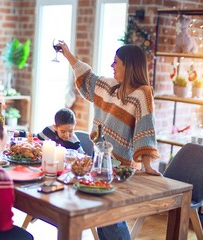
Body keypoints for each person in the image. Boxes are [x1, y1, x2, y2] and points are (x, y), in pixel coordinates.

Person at [59, 43, 161, 240]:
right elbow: (88, 79)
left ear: (129, 66)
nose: (112, 65)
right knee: (100, 217)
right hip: (99, 163)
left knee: (112, 220)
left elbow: (146, 128)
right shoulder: (110, 87)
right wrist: (68, 55)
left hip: (121, 169)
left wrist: (146, 164)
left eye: (116, 62)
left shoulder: (142, 94)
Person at [15, 108, 84, 153]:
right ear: (55, 127)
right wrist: (19, 133)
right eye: (63, 131)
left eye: (70, 131)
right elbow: (36, 137)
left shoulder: (75, 143)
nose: (67, 135)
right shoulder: (48, 131)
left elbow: (83, 157)